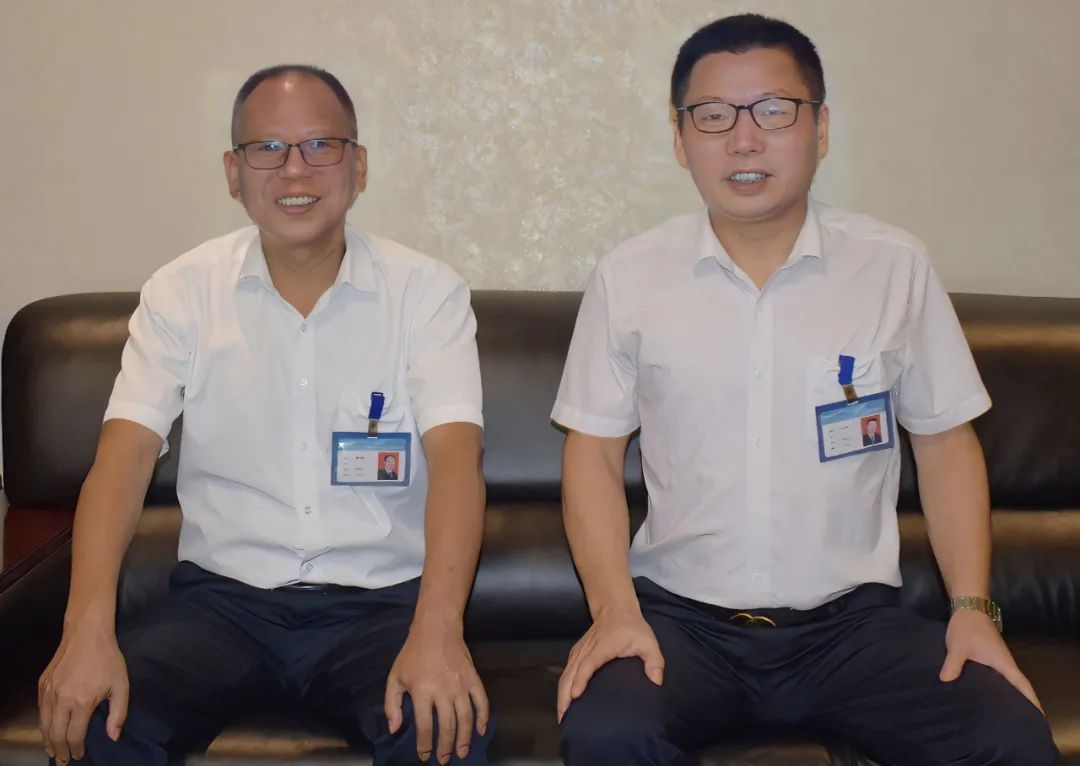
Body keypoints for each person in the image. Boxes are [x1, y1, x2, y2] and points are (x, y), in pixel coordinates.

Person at [551, 14, 1059, 766]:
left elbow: (946, 445)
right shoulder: (629, 277)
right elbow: (592, 455)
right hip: (683, 626)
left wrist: (974, 611)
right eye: (713, 115)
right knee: (606, 732)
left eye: (773, 111)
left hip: (854, 631)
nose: (743, 140)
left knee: (1008, 737)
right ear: (680, 137)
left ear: (820, 128)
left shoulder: (894, 267)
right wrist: (614, 611)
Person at [37, 65, 491, 766]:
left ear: (359, 166)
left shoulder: (426, 294)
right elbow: (122, 462)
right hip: (221, 608)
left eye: (321, 145)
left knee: (446, 732)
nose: (294, 169)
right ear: (233, 172)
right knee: (98, 725)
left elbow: (458, 464)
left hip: (380, 607)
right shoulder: (182, 292)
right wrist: (84, 632)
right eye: (267, 148)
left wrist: (438, 630)